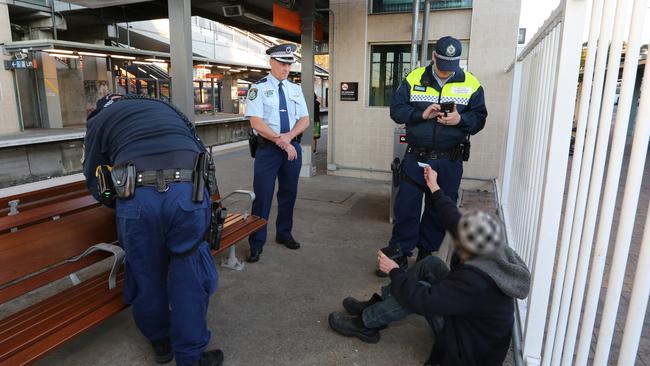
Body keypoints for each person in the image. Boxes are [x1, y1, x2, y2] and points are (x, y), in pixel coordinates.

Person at [329, 166, 530, 366]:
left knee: (419, 291)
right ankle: (380, 304)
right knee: (431, 263)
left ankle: (365, 323)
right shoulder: (488, 247)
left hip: (468, 352)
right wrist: (433, 185)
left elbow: (421, 300)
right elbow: (450, 214)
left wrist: (394, 270)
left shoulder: (474, 281)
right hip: (471, 324)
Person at [83, 94, 223, 366]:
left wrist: (123, 202)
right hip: (187, 194)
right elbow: (200, 154)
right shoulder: (166, 107)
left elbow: (94, 178)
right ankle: (191, 357)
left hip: (137, 200)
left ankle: (161, 343)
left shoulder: (100, 120)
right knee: (190, 276)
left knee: (145, 272)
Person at [380, 36, 488, 276]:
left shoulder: (471, 84)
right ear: (434, 57)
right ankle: (399, 252)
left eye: (453, 66)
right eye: (442, 65)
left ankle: (426, 254)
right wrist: (422, 115)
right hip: (416, 156)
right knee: (406, 205)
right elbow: (396, 111)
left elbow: (480, 118)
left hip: (449, 159)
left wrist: (461, 119)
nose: (447, 72)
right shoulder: (414, 78)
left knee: (438, 209)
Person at [244, 43, 310, 263]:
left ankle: (284, 233)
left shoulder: (295, 89)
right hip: (268, 150)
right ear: (271, 62)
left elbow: (305, 120)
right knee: (262, 196)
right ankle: (256, 242)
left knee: (288, 193)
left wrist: (289, 138)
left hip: (291, 147)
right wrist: (282, 142)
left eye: (289, 64)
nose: (286, 68)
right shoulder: (258, 88)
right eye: (282, 63)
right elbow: (256, 122)